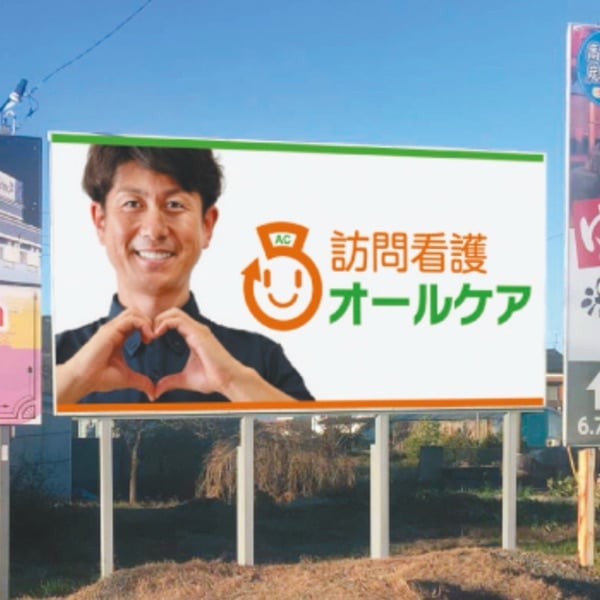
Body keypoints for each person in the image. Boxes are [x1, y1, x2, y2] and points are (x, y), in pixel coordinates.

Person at [55, 144, 313, 405]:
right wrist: (74, 379)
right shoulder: (54, 356)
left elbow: (319, 431)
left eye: (174, 204)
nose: (154, 230)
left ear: (207, 225)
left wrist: (232, 381)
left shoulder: (260, 358)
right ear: (100, 222)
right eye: (132, 203)